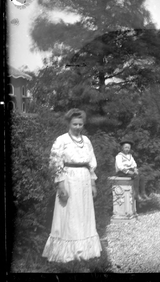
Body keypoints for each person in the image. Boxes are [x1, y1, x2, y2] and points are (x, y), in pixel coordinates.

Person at [42, 108, 102, 263]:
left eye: (80, 124)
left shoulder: (87, 140)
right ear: (69, 123)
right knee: (70, 214)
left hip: (84, 179)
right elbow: (55, 163)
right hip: (68, 178)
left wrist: (93, 183)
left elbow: (91, 164)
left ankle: (85, 252)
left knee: (84, 214)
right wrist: (61, 185)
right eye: (75, 124)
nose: (77, 127)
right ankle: (68, 253)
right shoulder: (61, 140)